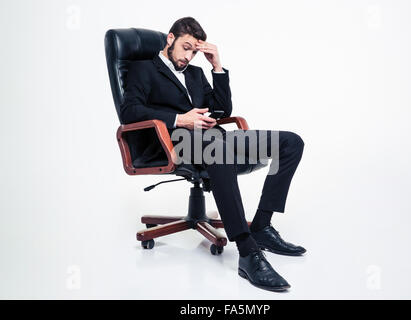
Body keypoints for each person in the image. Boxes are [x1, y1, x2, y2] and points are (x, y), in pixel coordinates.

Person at [121, 17, 306, 292]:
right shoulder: (143, 69)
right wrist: (179, 119)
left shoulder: (195, 74)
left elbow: (220, 110)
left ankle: (263, 226)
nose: (188, 56)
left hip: (213, 139)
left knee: (291, 143)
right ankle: (247, 251)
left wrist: (217, 66)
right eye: (185, 48)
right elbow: (129, 112)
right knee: (217, 148)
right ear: (170, 39)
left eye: (194, 51)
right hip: (172, 143)